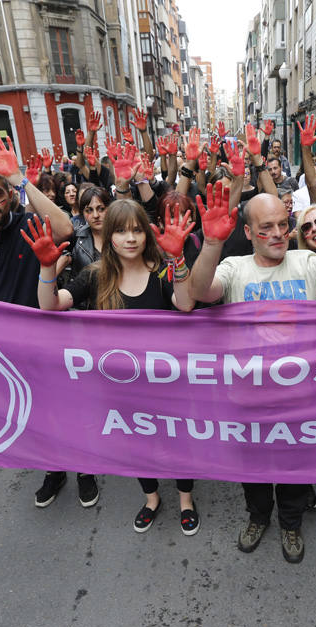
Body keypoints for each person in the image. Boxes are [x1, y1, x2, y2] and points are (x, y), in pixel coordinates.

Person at [188, 164, 316, 563]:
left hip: (302, 399)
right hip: (247, 398)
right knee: (253, 469)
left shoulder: (308, 262)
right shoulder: (234, 268)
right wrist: (212, 244)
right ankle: (258, 517)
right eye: (265, 227)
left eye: (283, 225)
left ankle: (290, 523)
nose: (277, 234)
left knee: (294, 469)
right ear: (248, 232)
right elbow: (199, 290)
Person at [27, 200, 201, 535]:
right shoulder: (95, 275)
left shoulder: (161, 270)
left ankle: (186, 500)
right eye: (121, 231)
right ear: (109, 237)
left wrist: (178, 260)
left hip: (167, 383)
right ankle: (151, 499)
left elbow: (186, 303)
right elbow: (50, 305)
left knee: (177, 442)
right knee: (138, 444)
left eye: (137, 230)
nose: (130, 238)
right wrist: (47, 268)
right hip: (121, 386)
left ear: (147, 234)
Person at [0, 134, 99, 510]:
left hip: (49, 341)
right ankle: (53, 469)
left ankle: (84, 469)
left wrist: (19, 177)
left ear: (9, 195)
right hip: (6, 352)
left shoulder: (29, 224)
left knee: (68, 409)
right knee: (35, 417)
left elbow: (65, 229)